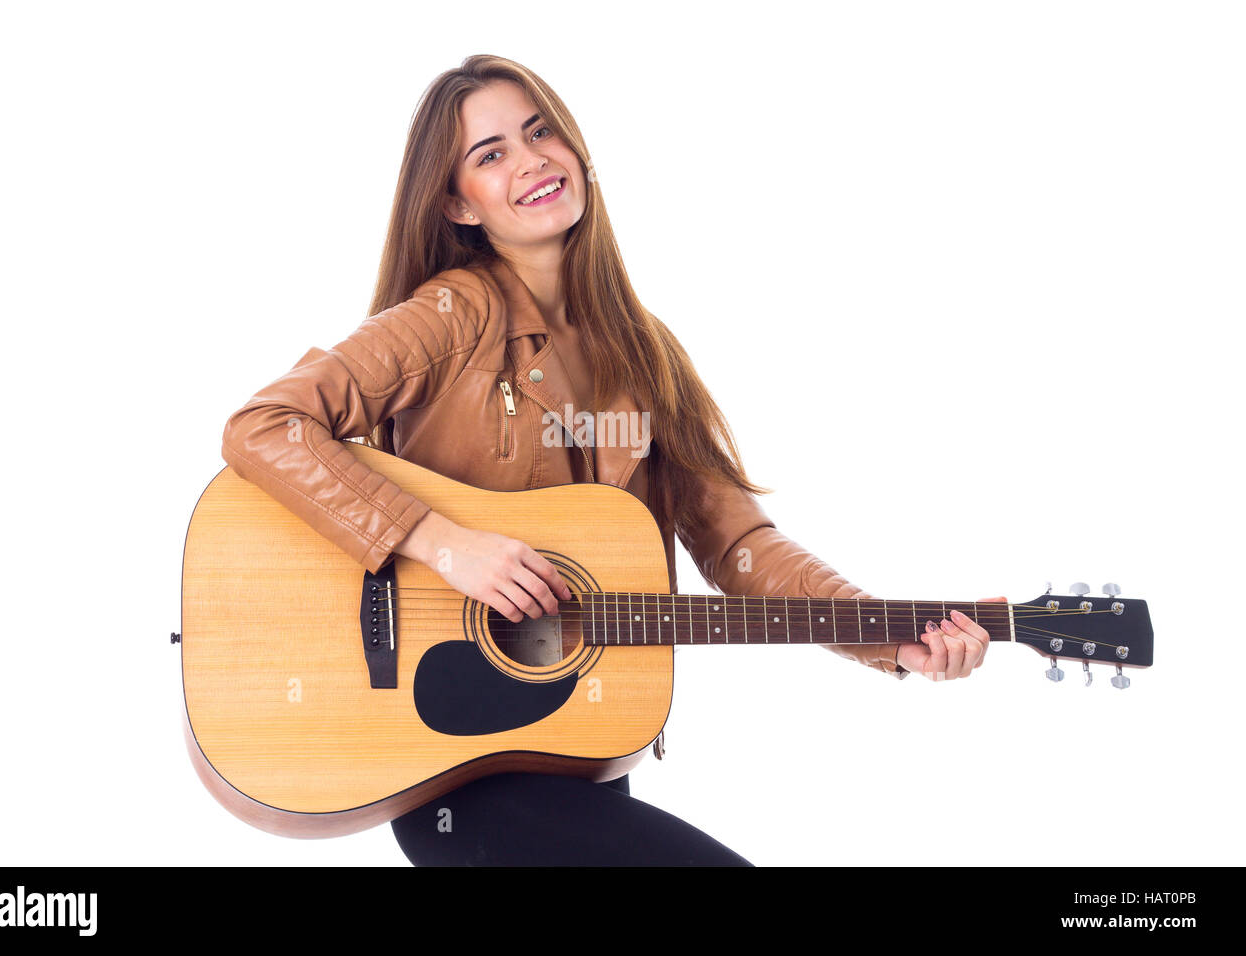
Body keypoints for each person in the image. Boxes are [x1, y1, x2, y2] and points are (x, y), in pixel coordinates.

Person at [220, 55, 1001, 866]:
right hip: (452, 763)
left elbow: (737, 545)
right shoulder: (447, 317)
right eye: (490, 155)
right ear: (457, 201)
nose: (531, 161)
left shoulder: (645, 351)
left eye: (540, 130)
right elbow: (264, 425)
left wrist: (887, 633)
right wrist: (446, 543)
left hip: (578, 748)